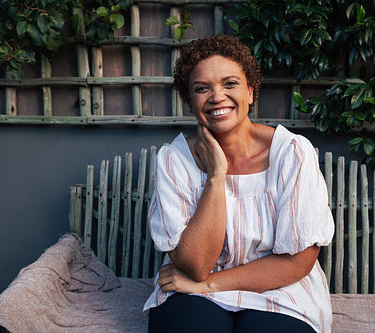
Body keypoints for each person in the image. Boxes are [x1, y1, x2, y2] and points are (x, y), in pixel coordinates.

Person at [143, 34, 335, 333]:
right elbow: (194, 266)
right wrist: (216, 176)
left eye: (229, 84)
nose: (217, 96)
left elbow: (297, 263)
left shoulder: (292, 153)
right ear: (189, 100)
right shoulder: (173, 161)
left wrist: (209, 284)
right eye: (202, 88)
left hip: (280, 291)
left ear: (250, 92)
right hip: (190, 288)